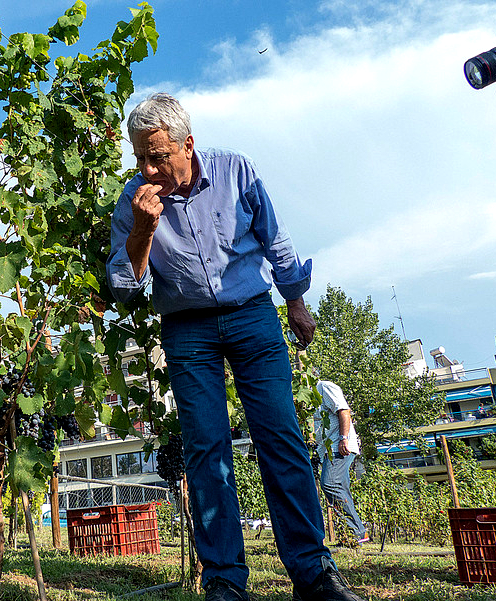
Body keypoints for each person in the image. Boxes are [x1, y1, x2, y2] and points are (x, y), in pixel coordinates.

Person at [106, 93, 365, 601]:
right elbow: (123, 288)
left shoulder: (235, 170)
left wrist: (295, 301)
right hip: (188, 330)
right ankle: (224, 581)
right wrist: (143, 231)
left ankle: (314, 573)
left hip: (251, 315)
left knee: (281, 438)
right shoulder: (133, 201)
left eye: (158, 155)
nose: (148, 167)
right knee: (207, 452)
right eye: (139, 156)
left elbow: (275, 237)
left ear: (188, 144)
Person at [313, 378, 367, 544]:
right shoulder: (309, 397)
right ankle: (353, 534)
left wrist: (344, 438)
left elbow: (344, 411)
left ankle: (357, 530)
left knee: (330, 484)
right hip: (328, 449)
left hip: (340, 445)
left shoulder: (324, 387)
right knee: (340, 488)